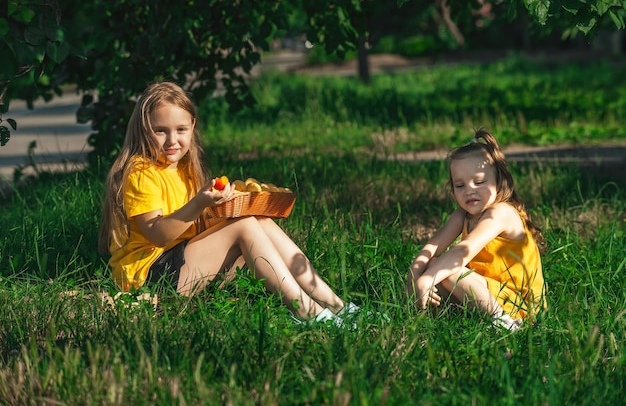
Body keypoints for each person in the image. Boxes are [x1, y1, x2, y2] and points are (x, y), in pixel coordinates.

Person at [98, 81, 357, 325]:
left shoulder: (184, 168)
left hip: (180, 266)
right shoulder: (141, 171)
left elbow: (193, 229)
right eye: (160, 131)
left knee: (259, 221)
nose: (172, 140)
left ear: (193, 126)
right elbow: (158, 235)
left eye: (181, 130)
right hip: (148, 278)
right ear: (144, 130)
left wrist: (222, 208)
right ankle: (307, 313)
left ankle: (335, 305)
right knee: (243, 226)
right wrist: (200, 203)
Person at [406, 128, 547, 331]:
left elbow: (462, 252)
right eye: (460, 185)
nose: (469, 190)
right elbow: (432, 247)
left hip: (519, 304)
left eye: (479, 182)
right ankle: (408, 317)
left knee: (447, 270)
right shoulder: (463, 215)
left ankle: (505, 323)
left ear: (499, 180)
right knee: (434, 273)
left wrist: (427, 278)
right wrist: (415, 277)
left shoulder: (501, 213)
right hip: (485, 291)